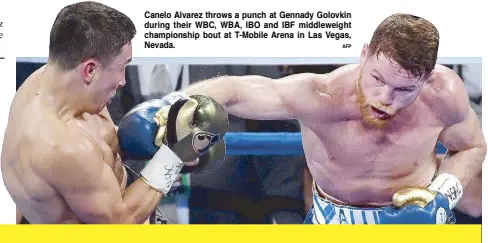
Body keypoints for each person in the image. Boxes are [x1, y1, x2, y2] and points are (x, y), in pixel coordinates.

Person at [182, 14, 486, 224]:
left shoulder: (443, 93)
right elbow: (234, 91)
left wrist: (443, 195)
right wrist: (171, 108)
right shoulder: (322, 96)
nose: (385, 97)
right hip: (334, 222)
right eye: (377, 79)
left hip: (416, 222)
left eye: (405, 89)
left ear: (427, 78)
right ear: (364, 55)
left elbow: (471, 146)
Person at [2, 1, 227, 224]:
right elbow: (121, 223)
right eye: (122, 66)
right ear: (90, 69)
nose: (123, 81)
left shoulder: (65, 84)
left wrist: (164, 137)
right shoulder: (60, 145)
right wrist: (174, 154)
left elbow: (105, 148)